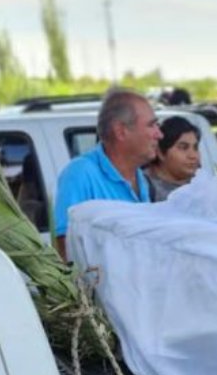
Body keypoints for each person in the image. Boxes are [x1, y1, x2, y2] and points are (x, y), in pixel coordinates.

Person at [54, 88, 163, 260]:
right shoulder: (80, 174)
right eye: (151, 125)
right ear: (121, 131)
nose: (159, 134)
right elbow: (66, 250)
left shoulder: (140, 178)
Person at [145, 116, 201, 201]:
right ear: (161, 153)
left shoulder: (202, 185)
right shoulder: (142, 189)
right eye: (183, 147)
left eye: (195, 148)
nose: (193, 156)